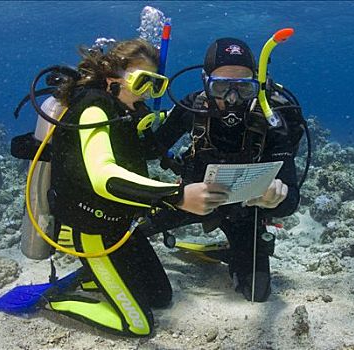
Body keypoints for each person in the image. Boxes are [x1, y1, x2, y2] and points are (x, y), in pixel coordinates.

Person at [42, 39, 230, 336]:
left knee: (161, 297)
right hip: (92, 231)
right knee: (138, 325)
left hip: (120, 227)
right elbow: (104, 178)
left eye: (155, 86)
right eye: (142, 83)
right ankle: (54, 300)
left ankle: (95, 277)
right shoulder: (94, 107)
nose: (146, 95)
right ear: (112, 77)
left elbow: (147, 150)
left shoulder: (123, 112)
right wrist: (177, 195)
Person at [137, 37, 305, 302]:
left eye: (244, 88)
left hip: (246, 214)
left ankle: (232, 251)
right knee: (130, 231)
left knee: (257, 293)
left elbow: (291, 201)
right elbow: (147, 152)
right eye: (221, 87)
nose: (232, 98)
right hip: (189, 201)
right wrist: (139, 118)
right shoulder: (192, 107)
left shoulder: (274, 118)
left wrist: (275, 199)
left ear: (259, 84)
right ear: (205, 81)